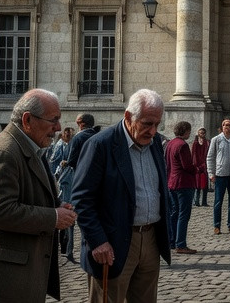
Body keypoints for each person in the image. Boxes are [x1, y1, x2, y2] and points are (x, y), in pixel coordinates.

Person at [0, 89, 77, 303]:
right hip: (3, 278)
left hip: (17, 273)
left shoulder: (27, 147)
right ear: (28, 120)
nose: (58, 128)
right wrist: (54, 217)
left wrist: (57, 206)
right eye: (53, 120)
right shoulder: (4, 152)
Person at [71, 88, 171, 303]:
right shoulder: (100, 145)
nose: (153, 131)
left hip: (151, 239)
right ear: (128, 116)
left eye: (157, 124)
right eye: (147, 123)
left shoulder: (154, 144)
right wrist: (97, 241)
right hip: (112, 243)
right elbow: (81, 198)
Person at [163, 120, 198, 254]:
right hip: (183, 183)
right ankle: (181, 244)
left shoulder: (170, 143)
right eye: (189, 130)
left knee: (175, 213)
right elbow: (187, 166)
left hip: (172, 182)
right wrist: (199, 168)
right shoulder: (182, 145)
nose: (190, 133)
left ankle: (172, 241)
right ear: (185, 131)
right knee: (184, 214)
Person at [207, 117, 230, 234]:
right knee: (218, 201)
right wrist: (211, 173)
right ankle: (217, 226)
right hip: (220, 175)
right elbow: (210, 157)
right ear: (222, 127)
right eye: (226, 125)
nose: (228, 127)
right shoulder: (216, 140)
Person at [191, 127, 209, 207]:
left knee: (205, 185)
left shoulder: (207, 142)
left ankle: (204, 201)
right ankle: (196, 201)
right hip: (197, 166)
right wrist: (195, 165)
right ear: (198, 133)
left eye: (203, 133)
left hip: (205, 165)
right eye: (201, 133)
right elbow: (193, 155)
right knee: (197, 185)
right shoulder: (195, 143)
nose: (202, 134)